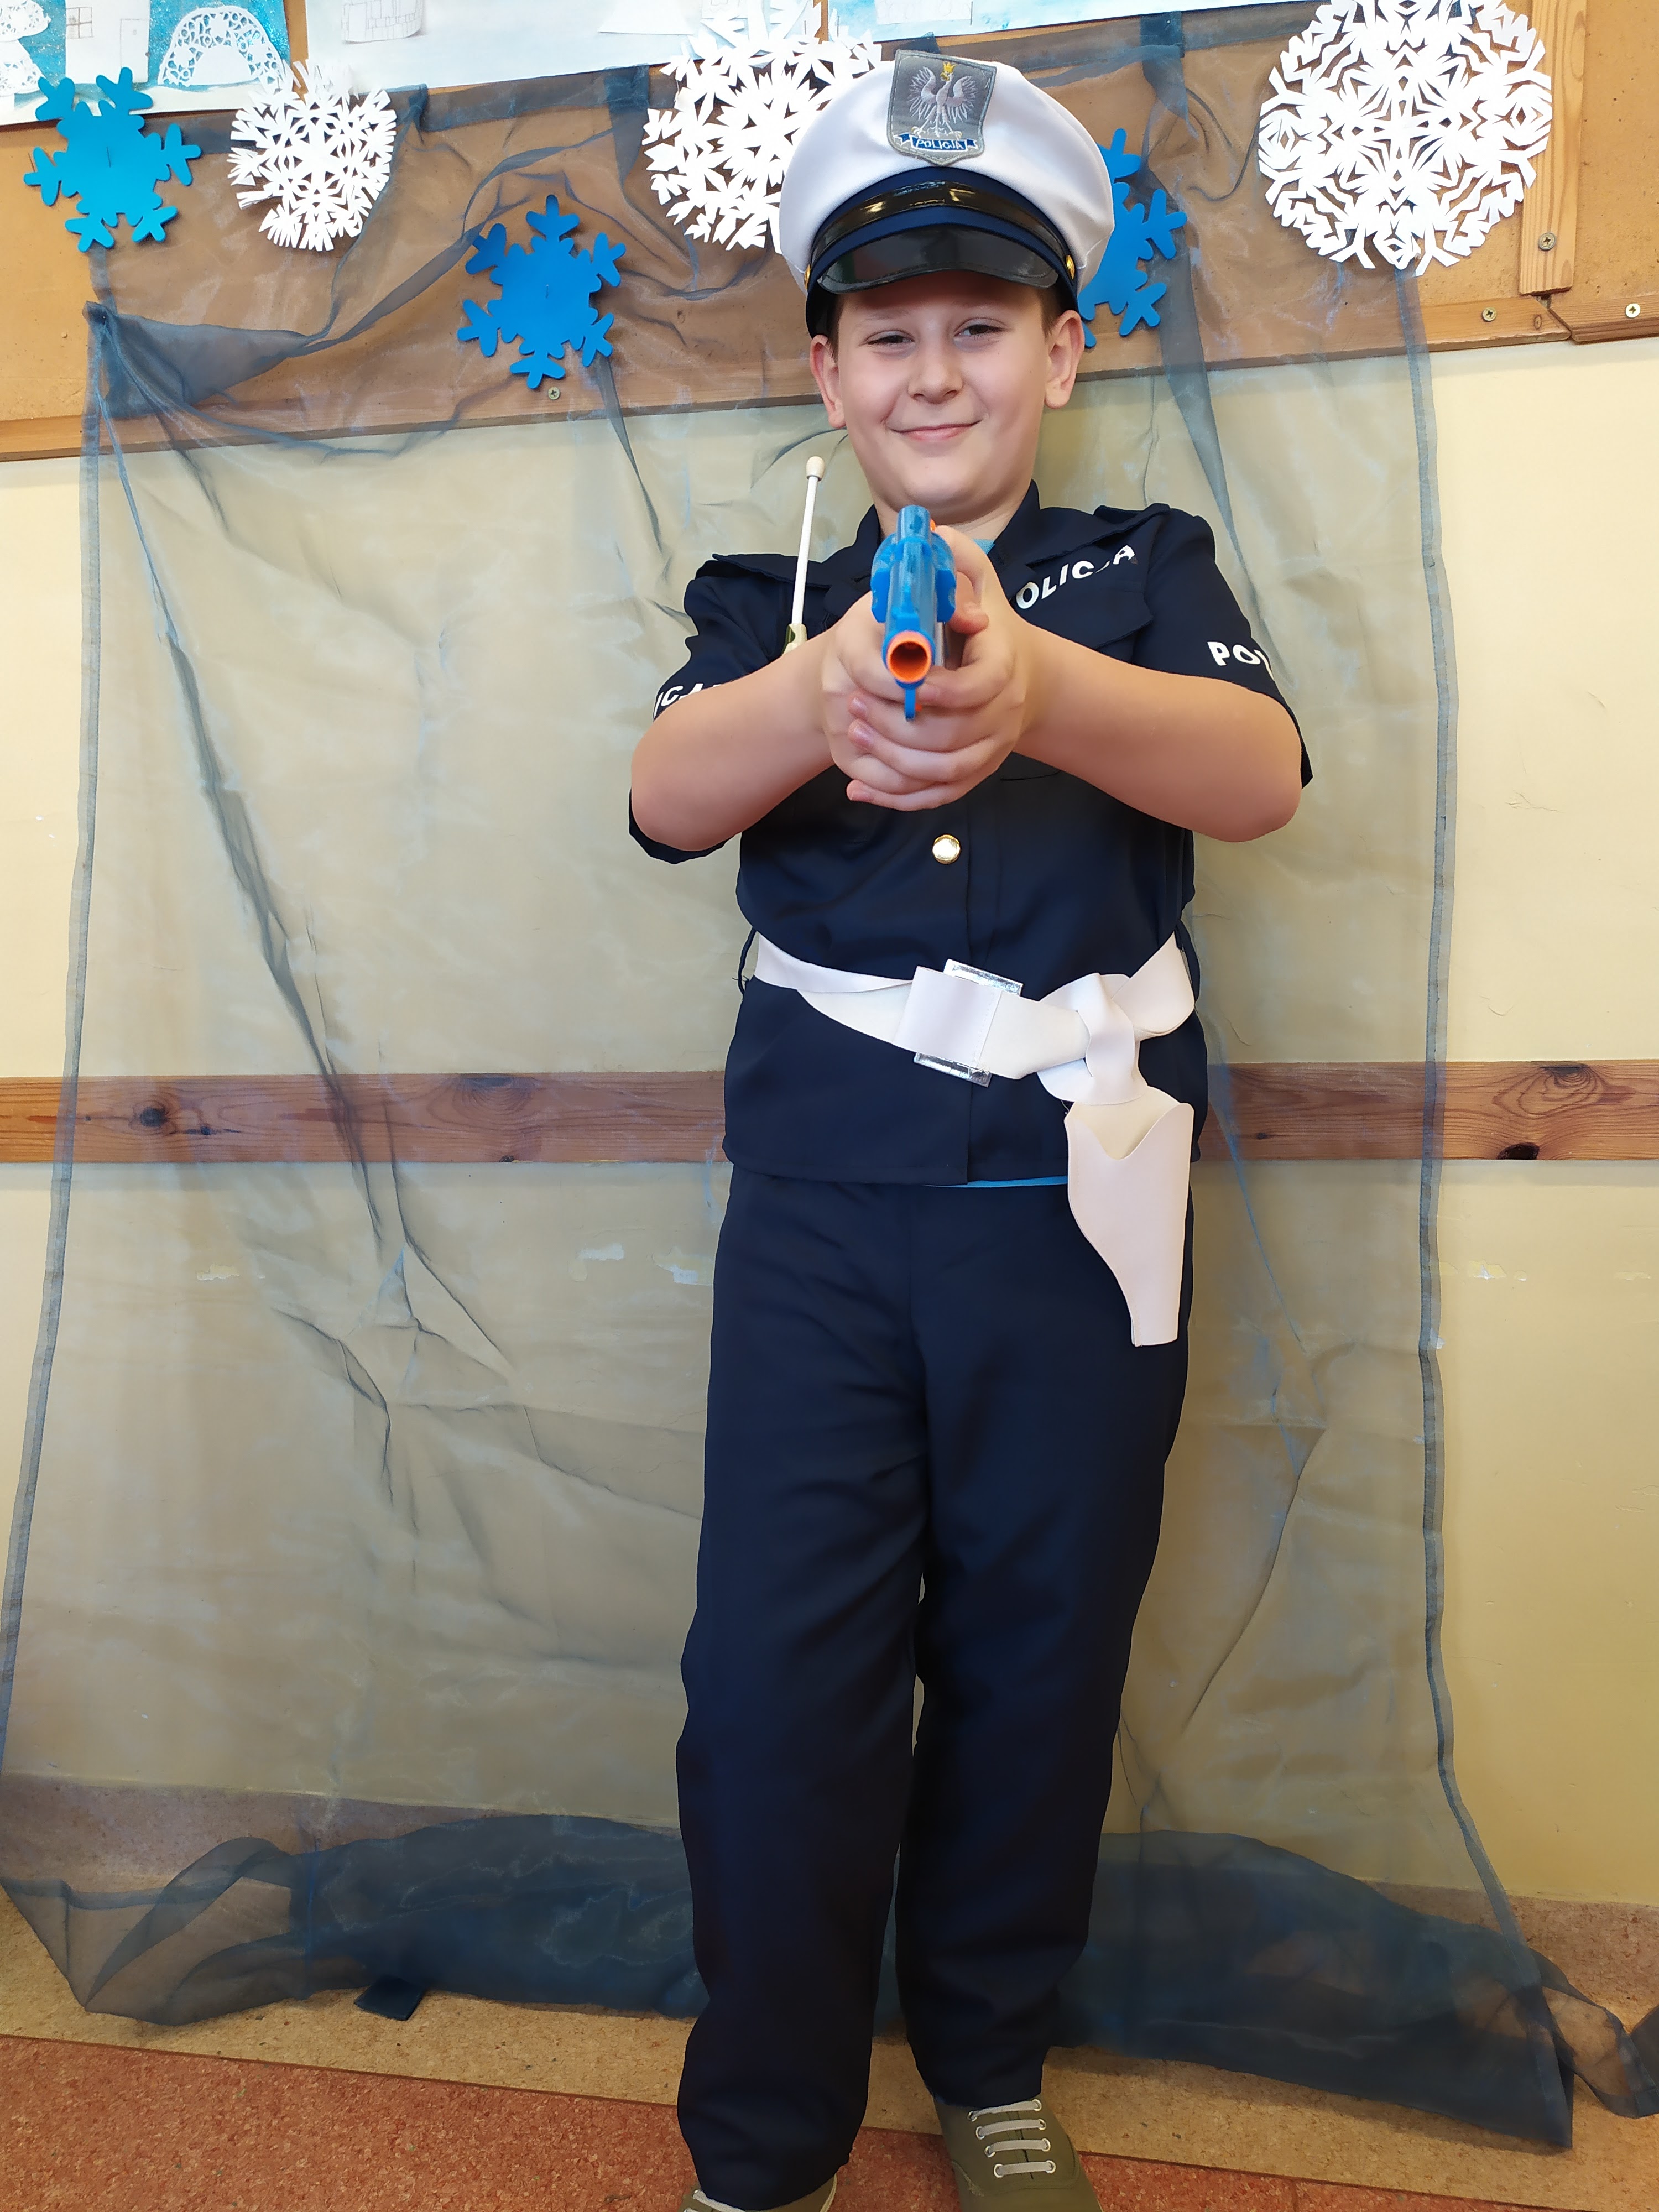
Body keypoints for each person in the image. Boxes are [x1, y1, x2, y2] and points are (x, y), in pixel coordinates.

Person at [629, 50, 1308, 2212]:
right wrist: (824, 688)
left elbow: (1260, 774)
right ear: (827, 372)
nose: (936, 372)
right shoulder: (769, 599)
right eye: (889, 333)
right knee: (779, 1678)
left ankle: (991, 2051)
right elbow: (665, 795)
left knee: (1040, 1641)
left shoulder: (1142, 567)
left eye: (983, 325)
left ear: (1064, 350)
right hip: (827, 1214)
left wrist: (1044, 690)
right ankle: (766, 2132)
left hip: (1079, 1205)